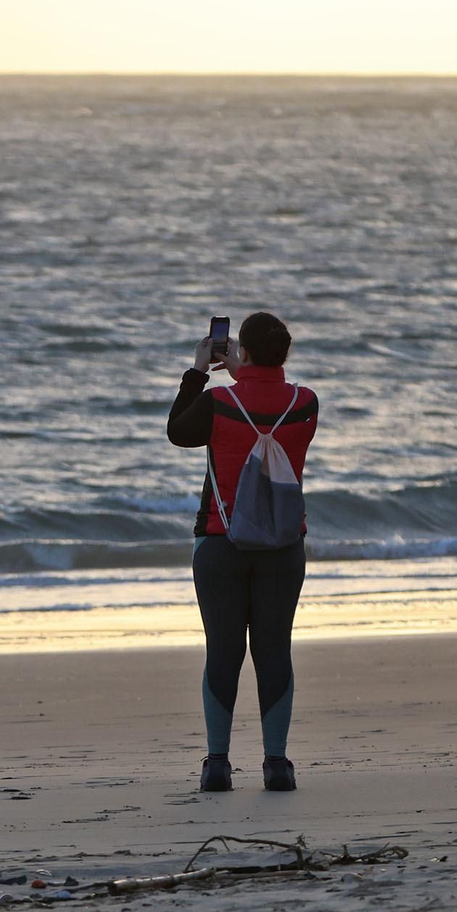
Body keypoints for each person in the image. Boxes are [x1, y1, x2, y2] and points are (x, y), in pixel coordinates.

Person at [167, 312, 318, 792]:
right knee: (274, 650)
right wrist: (246, 371)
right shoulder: (305, 403)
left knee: (224, 651)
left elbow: (177, 431)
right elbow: (266, 406)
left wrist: (198, 370)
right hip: (284, 546)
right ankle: (277, 764)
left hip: (220, 541)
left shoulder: (217, 402)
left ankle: (217, 764)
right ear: (286, 354)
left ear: (242, 351)